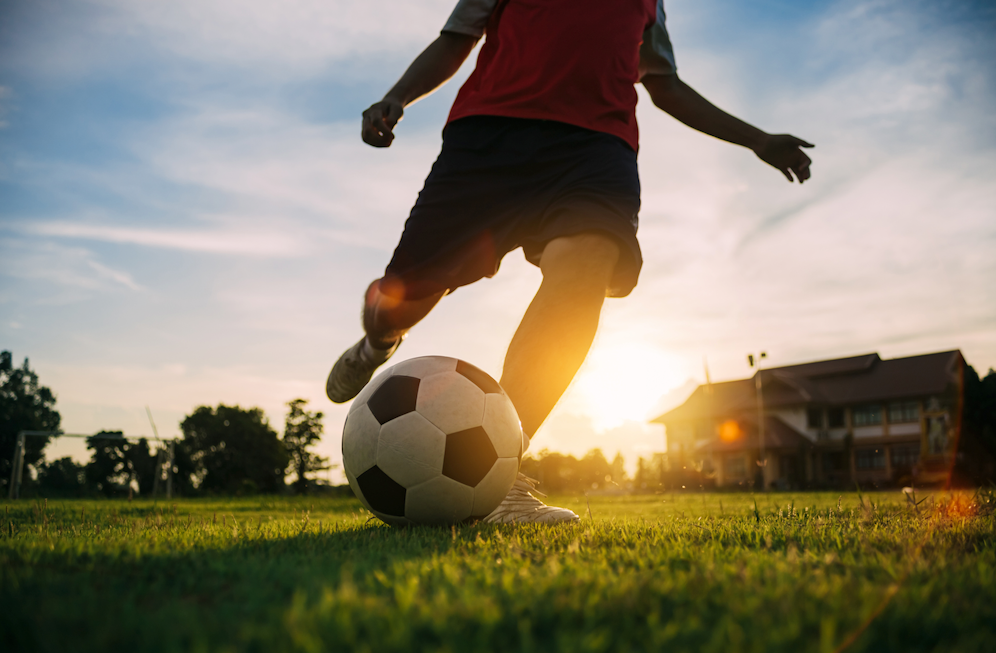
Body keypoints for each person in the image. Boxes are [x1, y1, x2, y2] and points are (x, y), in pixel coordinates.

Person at [327, 0, 813, 523]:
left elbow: (665, 85)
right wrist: (396, 97)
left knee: (585, 271)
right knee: (398, 300)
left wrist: (757, 139)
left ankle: (499, 478)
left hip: (595, 152)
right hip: (490, 139)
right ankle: (378, 343)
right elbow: (455, 39)